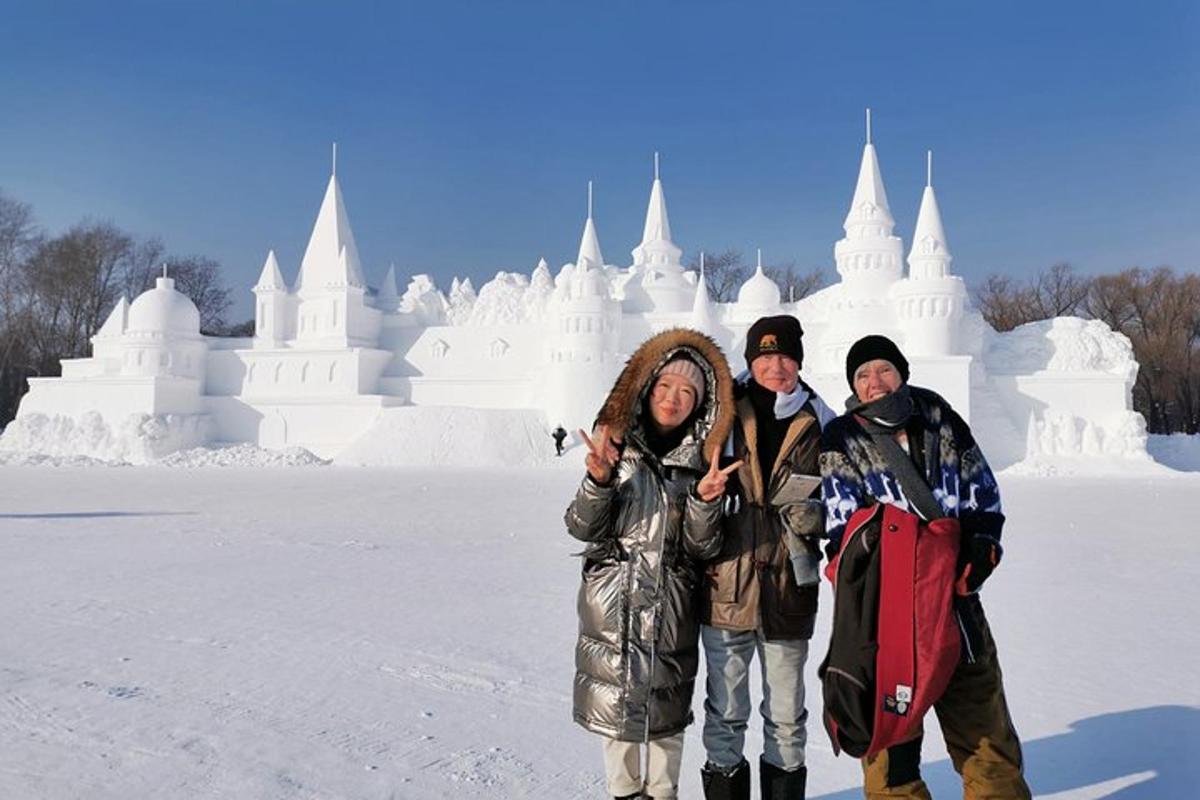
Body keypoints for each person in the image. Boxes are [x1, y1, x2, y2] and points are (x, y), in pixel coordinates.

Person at [819, 334, 1031, 799]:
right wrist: (905, 551)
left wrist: (981, 547)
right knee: (891, 750)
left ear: (902, 372)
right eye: (862, 375)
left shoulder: (939, 419)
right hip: (884, 621)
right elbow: (841, 532)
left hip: (956, 608)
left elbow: (982, 491)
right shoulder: (842, 438)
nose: (875, 382)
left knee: (986, 739)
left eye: (883, 370)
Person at [566, 328, 739, 800]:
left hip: (670, 607)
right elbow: (582, 528)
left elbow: (703, 549)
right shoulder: (616, 450)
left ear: (701, 405)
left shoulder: (702, 463)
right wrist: (598, 481)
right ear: (647, 389)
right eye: (665, 387)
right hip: (615, 603)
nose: (673, 398)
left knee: (666, 718)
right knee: (619, 715)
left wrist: (705, 503)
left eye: (687, 392)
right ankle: (623, 794)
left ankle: (663, 795)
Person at [699, 315, 835, 800]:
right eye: (764, 356)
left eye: (785, 356)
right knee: (726, 715)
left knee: (785, 718)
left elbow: (844, 501)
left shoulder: (822, 421)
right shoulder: (721, 413)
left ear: (798, 360)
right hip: (727, 587)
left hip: (788, 589)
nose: (775, 366)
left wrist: (812, 515)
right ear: (750, 360)